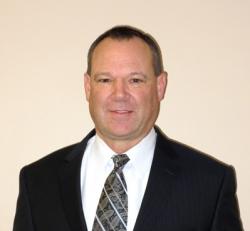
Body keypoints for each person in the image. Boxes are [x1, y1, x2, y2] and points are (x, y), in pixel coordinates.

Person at [13, 25, 243, 231]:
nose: (120, 94)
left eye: (135, 80)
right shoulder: (37, 182)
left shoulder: (210, 184)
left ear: (160, 86)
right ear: (88, 87)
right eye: (105, 80)